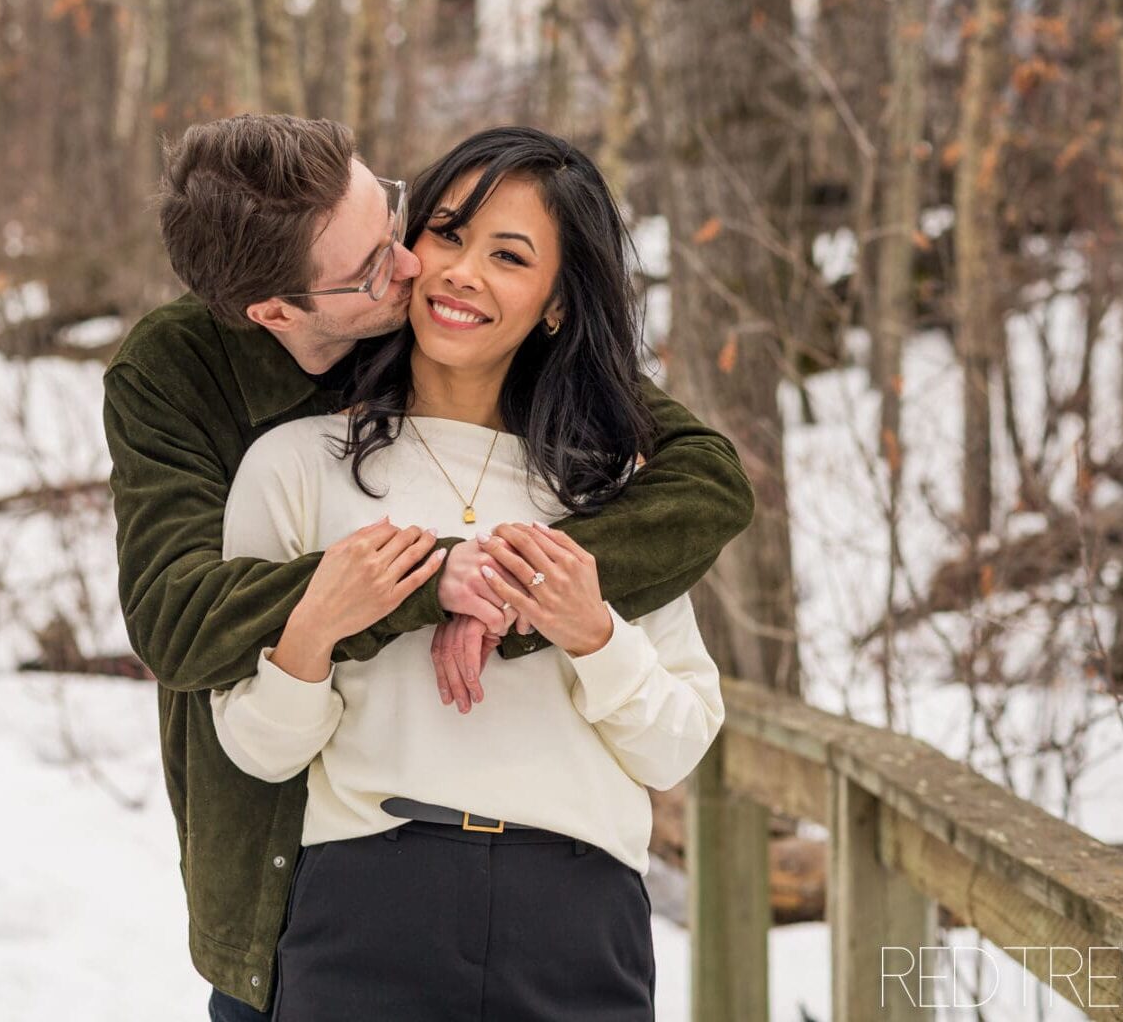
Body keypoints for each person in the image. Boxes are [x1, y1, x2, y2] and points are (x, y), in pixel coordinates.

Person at [102, 115, 752, 1021]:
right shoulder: (250, 429)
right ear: (278, 313)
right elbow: (190, 639)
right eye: (420, 244)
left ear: (555, 302)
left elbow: (708, 487)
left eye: (399, 220)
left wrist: (545, 606)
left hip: (576, 923)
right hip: (336, 902)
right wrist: (401, 589)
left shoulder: (601, 478)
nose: (423, 266)